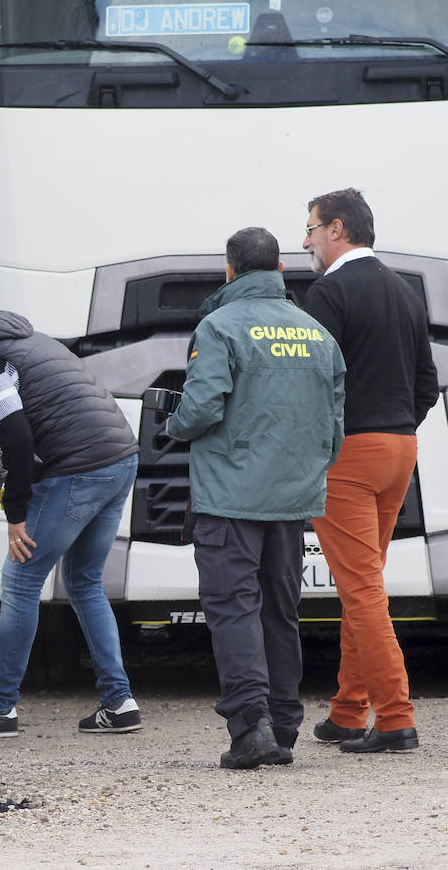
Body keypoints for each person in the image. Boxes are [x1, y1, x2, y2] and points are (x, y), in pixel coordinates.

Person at [166, 226, 345, 769]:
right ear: (281, 272)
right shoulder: (318, 334)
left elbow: (200, 410)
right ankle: (284, 724)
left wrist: (173, 424)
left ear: (229, 271)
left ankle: (251, 728)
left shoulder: (218, 326)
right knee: (279, 612)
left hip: (229, 499)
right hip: (292, 501)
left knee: (233, 608)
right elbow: (335, 428)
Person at [0, 309, 142, 740]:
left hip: (79, 467)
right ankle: (118, 702)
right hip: (121, 457)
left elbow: (17, 437)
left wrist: (15, 515)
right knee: (85, 581)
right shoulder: (34, 344)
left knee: (20, 582)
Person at [301, 188, 438, 754]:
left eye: (310, 229)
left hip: (349, 456)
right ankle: (348, 710)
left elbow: (312, 383)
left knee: (360, 591)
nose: (305, 241)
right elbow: (427, 383)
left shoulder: (327, 292)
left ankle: (396, 717)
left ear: (337, 229)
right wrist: (397, 425)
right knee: (367, 584)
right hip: (400, 448)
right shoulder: (406, 291)